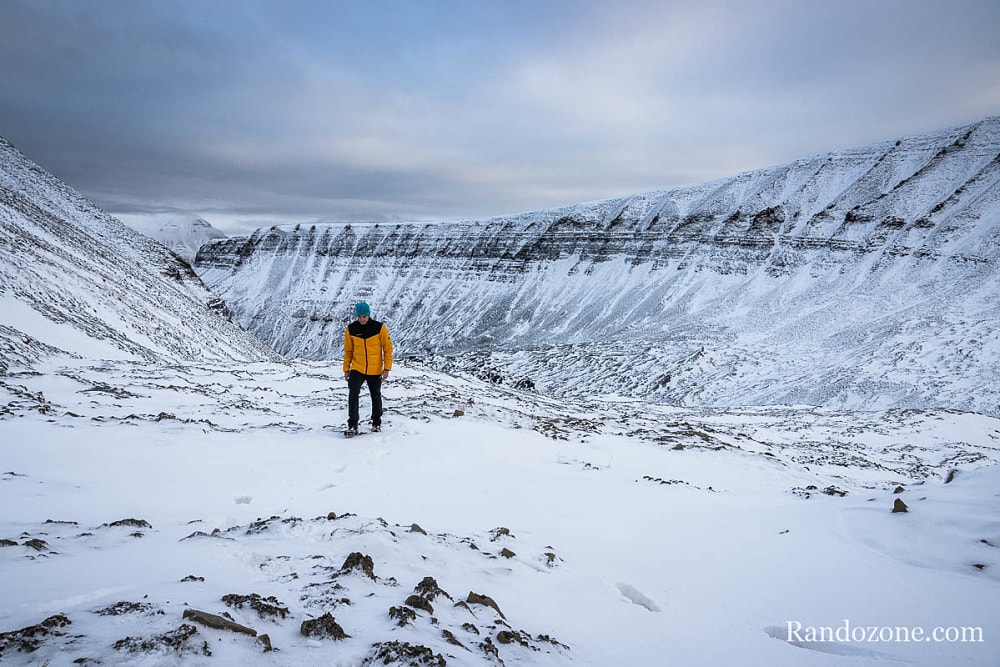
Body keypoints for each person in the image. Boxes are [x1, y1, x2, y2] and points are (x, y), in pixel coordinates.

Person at [343, 301, 393, 434]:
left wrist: (386, 369)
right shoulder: (351, 329)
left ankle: (376, 422)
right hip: (357, 368)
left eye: (364, 316)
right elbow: (348, 351)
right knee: (353, 394)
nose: (362, 319)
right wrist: (346, 369)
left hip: (375, 369)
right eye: (359, 316)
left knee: (375, 395)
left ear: (368, 315)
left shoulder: (379, 328)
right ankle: (353, 424)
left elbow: (387, 349)